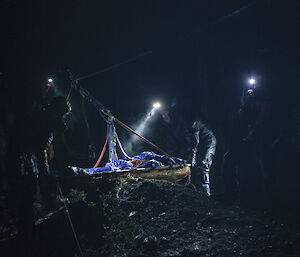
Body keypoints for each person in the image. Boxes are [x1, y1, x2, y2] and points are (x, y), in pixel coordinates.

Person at [16, 95, 71, 256]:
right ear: (58, 110)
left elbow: (55, 133)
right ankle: (28, 226)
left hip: (33, 152)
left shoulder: (48, 116)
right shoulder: (45, 117)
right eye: (63, 114)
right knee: (32, 184)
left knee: (37, 181)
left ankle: (33, 216)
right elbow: (39, 145)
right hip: (28, 154)